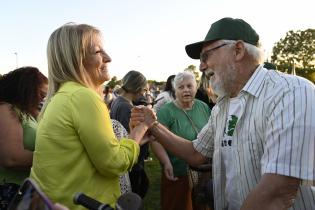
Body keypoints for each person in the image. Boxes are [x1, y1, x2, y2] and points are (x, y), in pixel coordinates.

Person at [131, 17, 315, 210]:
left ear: (238, 50)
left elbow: (278, 192)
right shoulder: (222, 106)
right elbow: (196, 153)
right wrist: (153, 125)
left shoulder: (291, 92)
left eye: (206, 56)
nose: (201, 66)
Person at [30, 23, 154, 210]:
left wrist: (131, 138)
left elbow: (85, 157)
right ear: (76, 59)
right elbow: (115, 163)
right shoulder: (83, 97)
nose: (108, 58)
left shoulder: (62, 97)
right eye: (98, 52)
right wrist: (142, 127)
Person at [151, 71, 211, 210]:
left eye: (189, 86)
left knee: (203, 204)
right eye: (181, 87)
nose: (186, 90)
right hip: (178, 172)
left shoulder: (203, 107)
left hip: (204, 171)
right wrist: (166, 162)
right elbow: (155, 140)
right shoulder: (166, 111)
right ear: (175, 90)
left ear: (195, 88)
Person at [0, 66, 48, 209]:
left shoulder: (26, 111)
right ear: (25, 89)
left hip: (26, 190)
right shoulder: (5, 109)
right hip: (11, 191)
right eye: (40, 94)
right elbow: (11, 158)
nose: (43, 98)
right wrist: (54, 156)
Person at [110, 70, 150, 198]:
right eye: (143, 89)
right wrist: (146, 135)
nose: (144, 93)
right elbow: (127, 138)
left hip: (129, 159)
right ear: (138, 89)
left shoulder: (117, 101)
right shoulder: (126, 107)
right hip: (132, 162)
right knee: (135, 195)